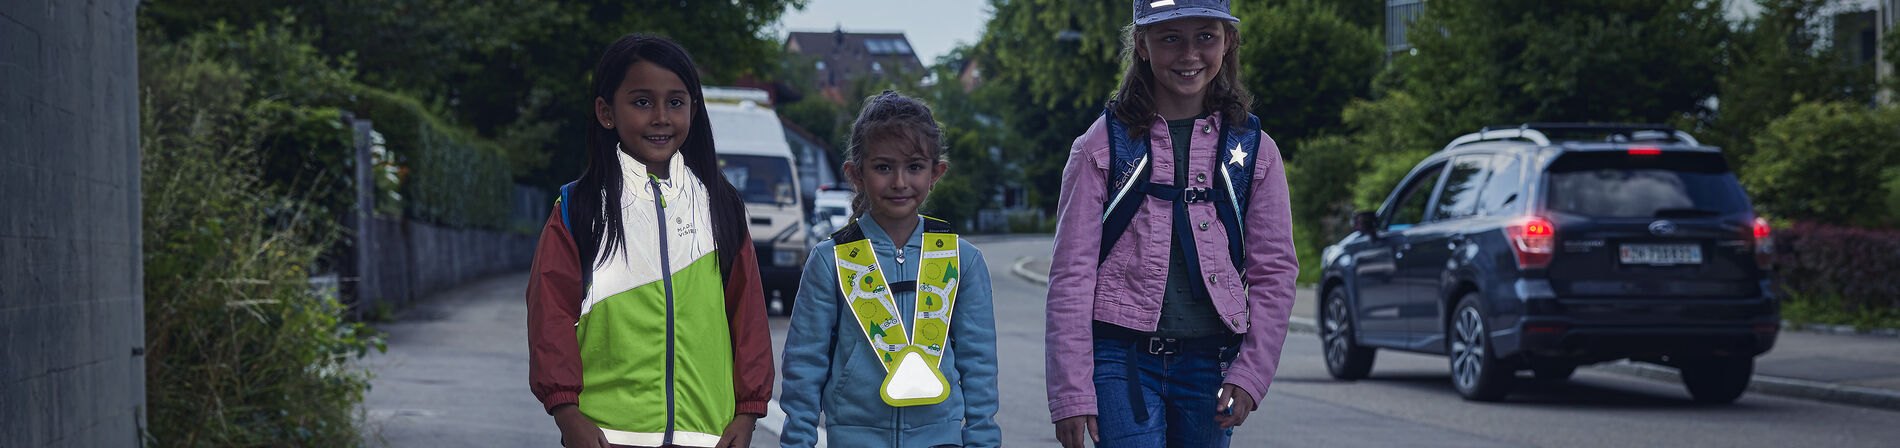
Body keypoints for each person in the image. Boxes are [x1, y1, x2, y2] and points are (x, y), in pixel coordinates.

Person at [1044, 1, 1299, 447]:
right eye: (1170, 38)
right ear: (1142, 45)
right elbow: (1071, 274)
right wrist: (1071, 392)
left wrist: (1253, 371)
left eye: (1205, 36)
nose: (1189, 54)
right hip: (1120, 360)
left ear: (1228, 42)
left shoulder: (1255, 150)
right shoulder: (1100, 146)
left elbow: (1275, 271)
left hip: (1210, 361)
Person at [526, 34, 773, 448]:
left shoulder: (720, 205)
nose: (661, 116)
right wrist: (568, 414)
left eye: (676, 102)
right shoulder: (580, 206)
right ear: (606, 112)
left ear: (694, 109)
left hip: (707, 434)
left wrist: (748, 413)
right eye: (642, 102)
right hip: (606, 434)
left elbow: (748, 318)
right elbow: (548, 316)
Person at [777, 91, 1001, 448]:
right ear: (857, 174)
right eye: (883, 167)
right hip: (854, 437)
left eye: (914, 166)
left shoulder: (963, 259)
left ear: (935, 173)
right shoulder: (830, 260)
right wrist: (797, 441)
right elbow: (804, 364)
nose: (899, 182)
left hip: (940, 437)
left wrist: (982, 440)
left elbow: (980, 366)